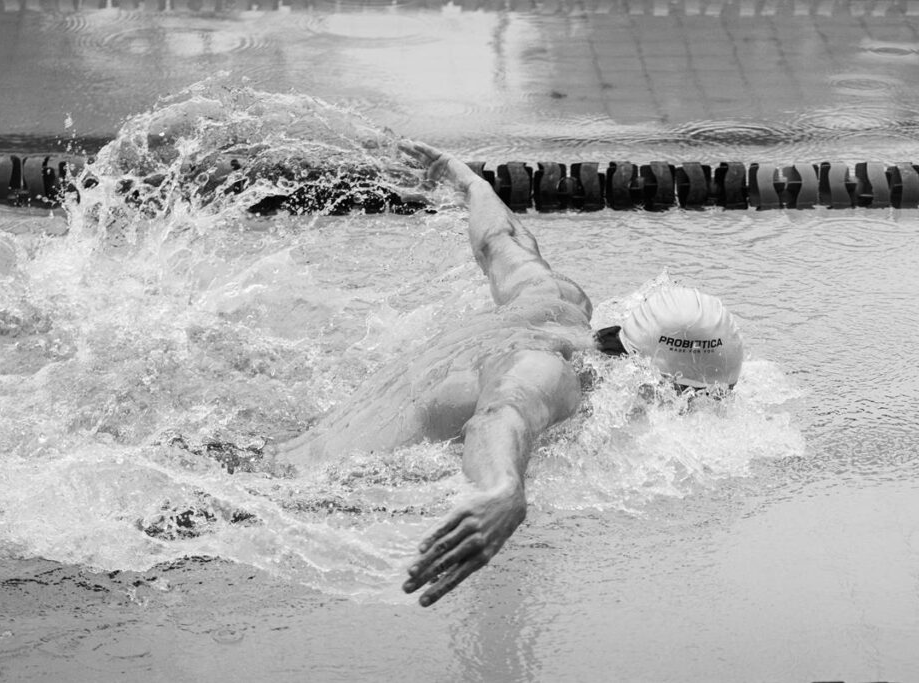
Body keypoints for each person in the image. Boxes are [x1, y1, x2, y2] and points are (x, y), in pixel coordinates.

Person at [276, 141, 744, 607]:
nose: (698, 408)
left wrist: (468, 182)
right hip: (287, 500)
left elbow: (500, 240)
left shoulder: (557, 300)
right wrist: (503, 487)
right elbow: (503, 413)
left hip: (286, 454)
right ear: (645, 374)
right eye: (689, 397)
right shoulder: (555, 372)